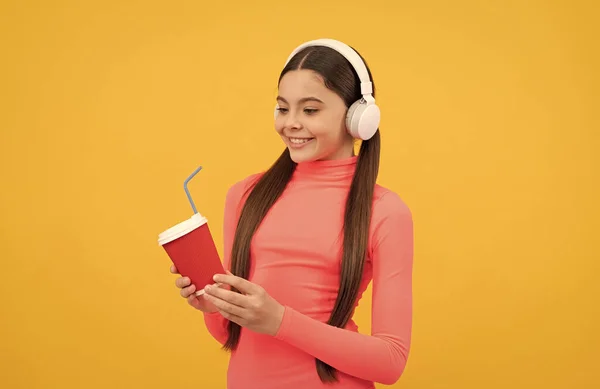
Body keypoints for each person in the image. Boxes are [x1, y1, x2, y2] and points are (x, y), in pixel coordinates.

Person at [170, 38, 414, 389]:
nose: (291, 124)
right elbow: (230, 335)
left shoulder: (386, 212)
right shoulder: (246, 195)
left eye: (310, 110)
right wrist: (213, 304)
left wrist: (280, 320)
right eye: (283, 109)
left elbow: (390, 362)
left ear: (358, 117)